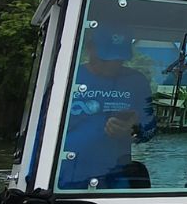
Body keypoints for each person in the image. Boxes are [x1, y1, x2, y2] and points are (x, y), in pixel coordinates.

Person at [58, 22, 157, 190]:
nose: (112, 65)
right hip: (66, 176)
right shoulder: (67, 78)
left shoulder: (137, 82)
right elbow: (42, 130)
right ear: (90, 48)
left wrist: (133, 130)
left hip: (115, 178)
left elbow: (150, 130)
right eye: (105, 59)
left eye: (118, 59)